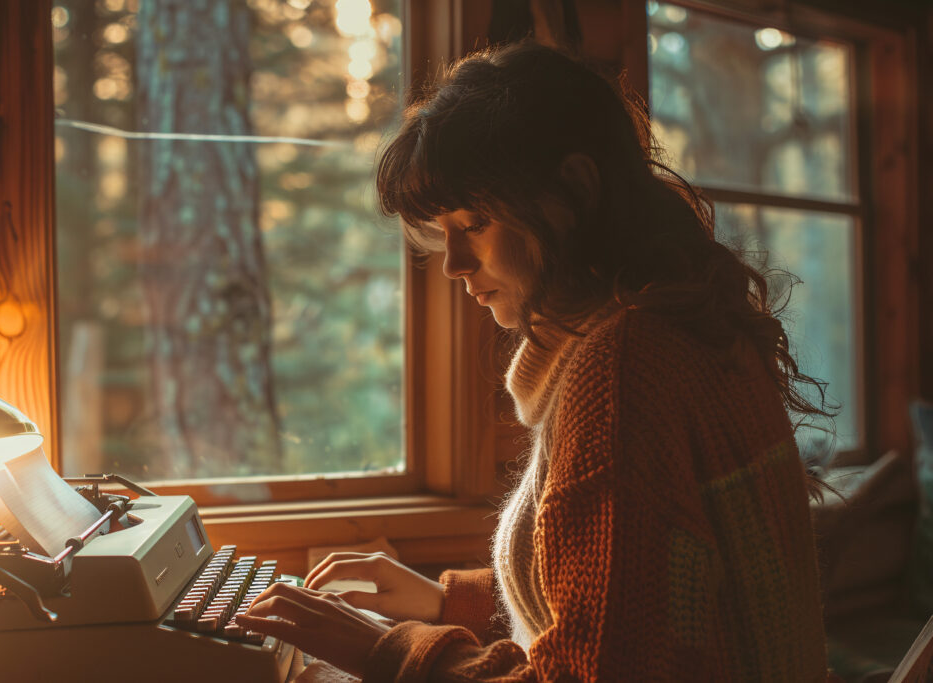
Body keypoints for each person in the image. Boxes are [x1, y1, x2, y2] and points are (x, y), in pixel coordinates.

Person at [237, 40, 835, 681]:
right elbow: (638, 605)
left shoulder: (628, 369)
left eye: (476, 222)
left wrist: (386, 649)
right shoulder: (680, 329)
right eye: (444, 233)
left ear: (575, 189)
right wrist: (450, 602)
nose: (455, 265)